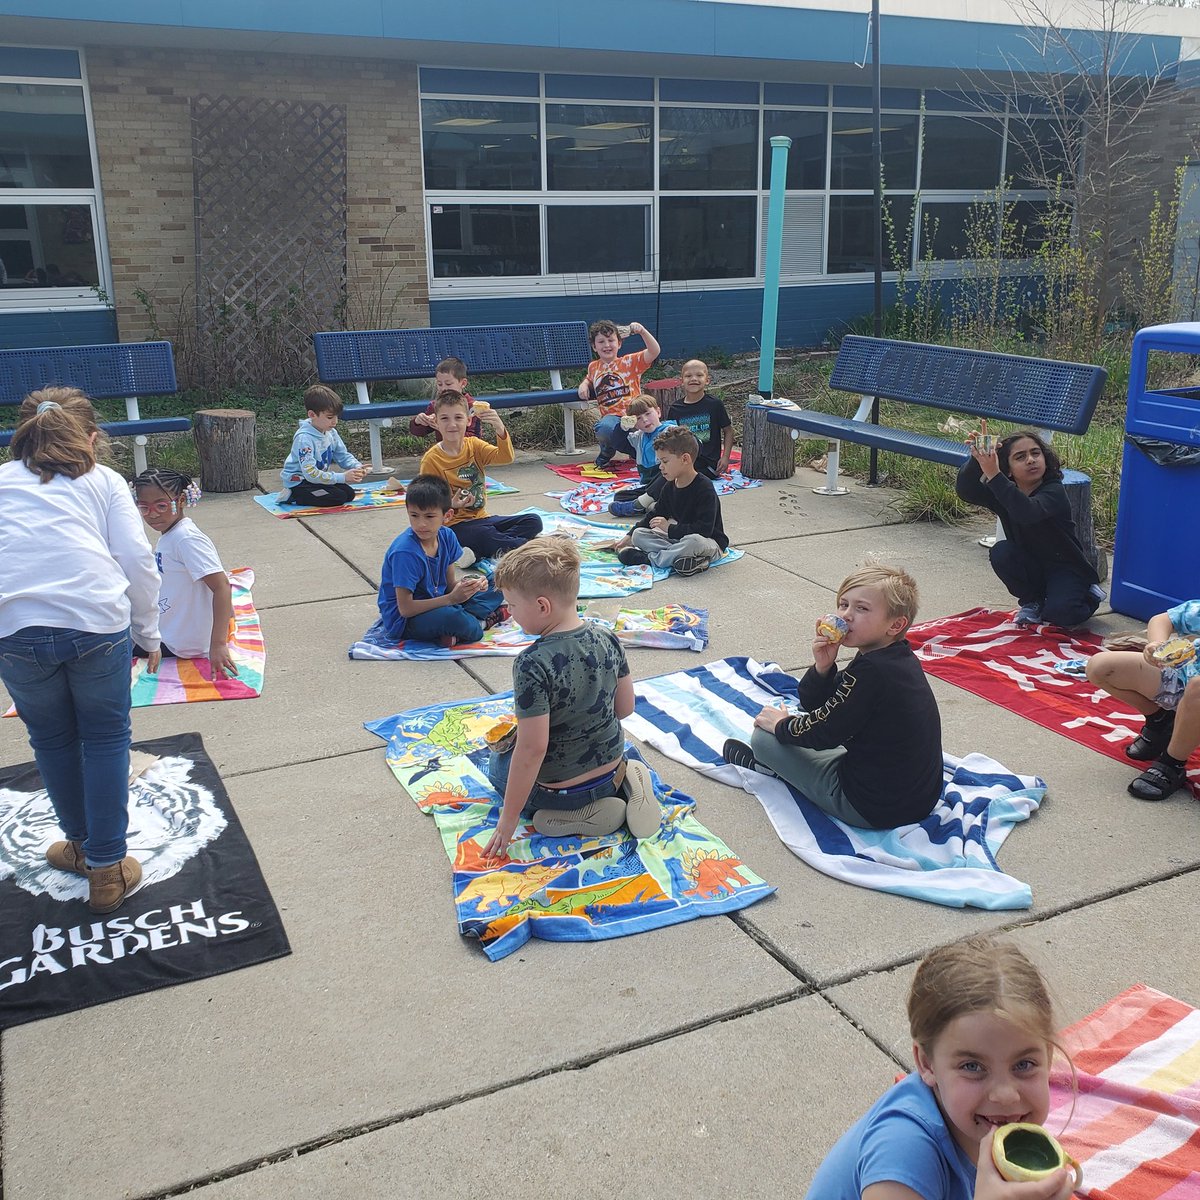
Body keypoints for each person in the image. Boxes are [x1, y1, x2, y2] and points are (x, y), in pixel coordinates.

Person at [0, 388, 161, 913]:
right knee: (106, 736)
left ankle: (79, 844)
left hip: (15, 628)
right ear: (92, 438)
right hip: (95, 623)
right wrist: (148, 630)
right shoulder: (104, 480)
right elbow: (137, 561)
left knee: (50, 737)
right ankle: (108, 867)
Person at [805, 934, 1077, 1200]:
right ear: (927, 1064)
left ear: (1049, 1055)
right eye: (972, 1066)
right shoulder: (903, 1150)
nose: (1005, 1095)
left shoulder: (985, 1125)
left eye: (1024, 1064)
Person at [722, 564, 943, 829]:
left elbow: (823, 733)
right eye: (843, 605)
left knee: (764, 739)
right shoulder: (891, 656)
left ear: (895, 624)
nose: (846, 615)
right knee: (802, 724)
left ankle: (772, 770)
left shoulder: (873, 671)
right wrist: (823, 667)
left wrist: (781, 725)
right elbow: (821, 705)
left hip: (871, 806)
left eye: (861, 608)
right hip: (917, 798)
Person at [481, 538, 659, 857]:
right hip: (610, 770)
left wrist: (507, 823)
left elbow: (532, 750)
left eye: (512, 605)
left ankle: (571, 816)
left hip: (561, 793)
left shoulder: (531, 664)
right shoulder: (607, 637)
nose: (508, 613)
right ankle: (629, 780)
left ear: (542, 606)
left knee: (499, 765)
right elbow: (625, 708)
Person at [955, 430, 1103, 629]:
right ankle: (1033, 601)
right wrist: (978, 458)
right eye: (1020, 457)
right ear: (1008, 469)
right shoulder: (1004, 492)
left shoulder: (1054, 491)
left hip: (1065, 567)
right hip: (1031, 564)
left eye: (1036, 453)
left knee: (1061, 616)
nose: (1031, 460)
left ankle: (1089, 594)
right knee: (1001, 552)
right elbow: (967, 491)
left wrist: (993, 475)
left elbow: (1027, 511)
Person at [1085, 600, 1200, 801]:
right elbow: (1163, 619)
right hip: (1181, 677)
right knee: (1100, 667)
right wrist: (1156, 645)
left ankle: (1172, 763)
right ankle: (1161, 722)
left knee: (1198, 687)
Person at [130, 468, 237, 679]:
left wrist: (218, 644)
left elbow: (222, 586)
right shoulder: (172, 534)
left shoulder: (186, 539)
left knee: (105, 639)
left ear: (180, 501)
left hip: (180, 641)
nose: (152, 514)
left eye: (161, 505)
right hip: (175, 627)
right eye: (144, 507)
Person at [377, 474, 506, 647]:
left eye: (429, 517)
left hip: (441, 602)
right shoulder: (405, 552)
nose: (421, 524)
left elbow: (450, 584)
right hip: (407, 620)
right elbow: (405, 609)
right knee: (452, 617)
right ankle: (482, 622)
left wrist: (472, 586)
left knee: (502, 578)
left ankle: (463, 622)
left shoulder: (447, 536)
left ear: (447, 515)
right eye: (414, 515)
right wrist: (452, 600)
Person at [419, 389, 541, 566]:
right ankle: (530, 548)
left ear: (468, 421)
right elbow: (425, 503)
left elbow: (505, 457)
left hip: (482, 518)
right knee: (486, 535)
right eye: (445, 418)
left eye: (458, 418)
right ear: (436, 422)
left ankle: (477, 551)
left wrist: (499, 427)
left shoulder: (474, 445)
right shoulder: (432, 460)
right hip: (453, 526)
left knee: (533, 521)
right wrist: (450, 504)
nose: (452, 424)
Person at [614, 426, 729, 577]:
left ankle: (651, 559)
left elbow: (704, 530)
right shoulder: (669, 486)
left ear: (685, 459)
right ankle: (687, 560)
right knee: (639, 535)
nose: (661, 467)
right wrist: (630, 535)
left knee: (693, 541)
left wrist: (669, 528)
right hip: (678, 541)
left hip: (709, 543)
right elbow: (654, 514)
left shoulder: (704, 487)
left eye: (665, 461)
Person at [576, 319, 661, 468]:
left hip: (634, 415)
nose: (607, 345)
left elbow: (654, 351)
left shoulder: (630, 362)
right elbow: (589, 378)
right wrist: (584, 384)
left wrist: (642, 331)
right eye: (601, 341)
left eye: (611, 340)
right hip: (613, 420)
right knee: (604, 428)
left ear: (619, 343)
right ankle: (607, 452)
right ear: (594, 346)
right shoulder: (593, 367)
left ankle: (638, 451)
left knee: (650, 429)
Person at [278, 384, 369, 506]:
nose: (335, 422)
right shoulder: (304, 439)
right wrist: (342, 477)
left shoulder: (331, 432)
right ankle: (294, 495)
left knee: (349, 493)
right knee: (338, 497)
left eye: (337, 416)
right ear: (312, 415)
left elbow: (342, 455)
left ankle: (314, 493)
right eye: (330, 417)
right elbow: (310, 473)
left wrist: (357, 467)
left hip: (317, 480)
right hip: (301, 482)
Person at [607, 396, 674, 517]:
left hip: (669, 483)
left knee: (667, 475)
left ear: (658, 412)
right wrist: (623, 427)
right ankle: (649, 504)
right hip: (648, 487)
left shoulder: (671, 431)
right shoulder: (638, 438)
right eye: (638, 418)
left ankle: (641, 505)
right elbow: (618, 443)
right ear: (634, 424)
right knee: (619, 496)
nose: (644, 420)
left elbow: (692, 443)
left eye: (648, 414)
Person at [670, 359, 734, 480]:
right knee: (664, 475)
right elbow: (671, 438)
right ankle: (641, 495)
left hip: (708, 465)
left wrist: (725, 457)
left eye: (699, 375)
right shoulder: (675, 408)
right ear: (681, 381)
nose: (694, 378)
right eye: (688, 375)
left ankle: (645, 497)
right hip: (684, 461)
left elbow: (728, 430)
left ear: (707, 380)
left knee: (682, 479)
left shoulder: (715, 404)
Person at [407, 356, 483, 442]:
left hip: (468, 453)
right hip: (444, 453)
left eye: (448, 384)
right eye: (439, 384)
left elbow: (475, 438)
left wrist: (444, 429)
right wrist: (418, 422)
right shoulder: (436, 405)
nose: (443, 388)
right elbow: (420, 432)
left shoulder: (472, 407)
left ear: (463, 383)